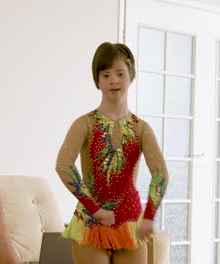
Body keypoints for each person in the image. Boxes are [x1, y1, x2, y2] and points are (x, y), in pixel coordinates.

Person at [56, 42, 169, 264]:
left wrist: (149, 216)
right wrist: (94, 209)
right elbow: (63, 165)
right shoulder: (85, 124)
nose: (114, 80)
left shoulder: (141, 128)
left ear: (131, 76)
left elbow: (161, 174)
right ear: (97, 80)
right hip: (90, 222)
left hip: (131, 224)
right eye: (106, 75)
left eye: (120, 73)